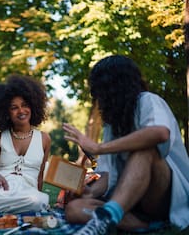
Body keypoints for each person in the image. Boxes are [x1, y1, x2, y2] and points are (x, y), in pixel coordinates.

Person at [63, 55, 189, 235]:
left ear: (113, 87)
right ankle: (145, 227)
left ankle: (109, 216)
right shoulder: (112, 124)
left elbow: (160, 133)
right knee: (74, 209)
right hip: (130, 203)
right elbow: (111, 174)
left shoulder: (148, 101)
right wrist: (89, 192)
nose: (98, 98)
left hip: (162, 197)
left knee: (144, 149)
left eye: (100, 90)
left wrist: (98, 148)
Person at [0, 75, 51, 214]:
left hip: (28, 192)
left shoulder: (44, 138)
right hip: (0, 188)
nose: (21, 111)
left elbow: (40, 175)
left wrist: (37, 194)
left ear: (33, 106)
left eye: (24, 105)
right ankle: (18, 210)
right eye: (14, 107)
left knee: (39, 201)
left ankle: (5, 210)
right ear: (6, 112)